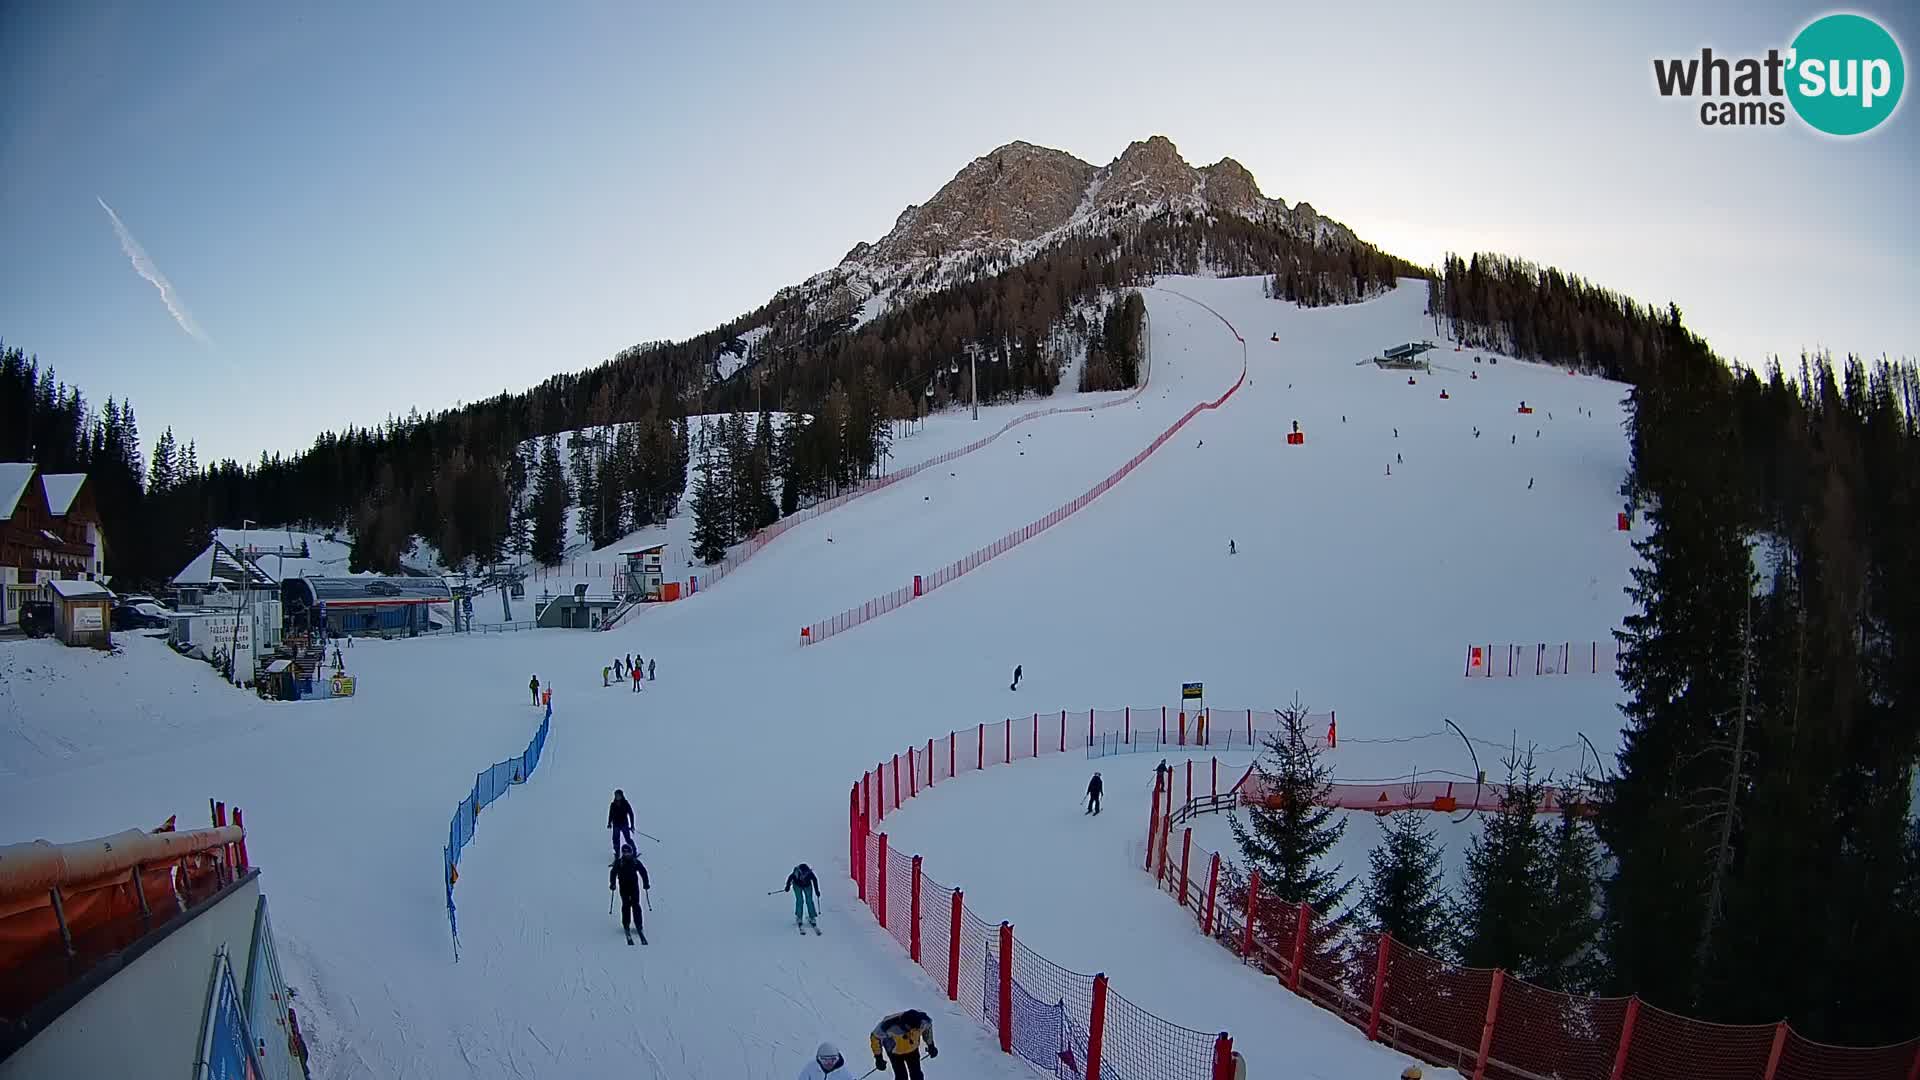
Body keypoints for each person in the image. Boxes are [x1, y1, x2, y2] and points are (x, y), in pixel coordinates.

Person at [870, 1010, 937, 1080]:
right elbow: (875, 1037)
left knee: (917, 1075)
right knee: (901, 1076)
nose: (911, 1031)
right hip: (895, 1052)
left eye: (915, 1029)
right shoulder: (889, 1026)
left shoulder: (923, 1021)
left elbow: (927, 1029)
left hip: (912, 1050)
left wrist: (931, 1045)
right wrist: (878, 1058)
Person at [609, 842, 651, 945]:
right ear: (623, 853)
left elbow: (643, 872)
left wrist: (646, 883)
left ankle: (638, 924)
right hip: (623, 887)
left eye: (629, 853)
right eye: (625, 853)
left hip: (634, 887)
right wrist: (612, 883)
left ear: (631, 853)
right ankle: (626, 924)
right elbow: (613, 872)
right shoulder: (619, 862)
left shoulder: (635, 862)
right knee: (626, 905)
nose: (627, 855)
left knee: (636, 905)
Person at [785, 862, 820, 930]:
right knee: (800, 900)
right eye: (803, 875)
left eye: (805, 875)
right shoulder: (796, 873)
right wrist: (787, 886)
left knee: (809, 901)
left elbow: (815, 880)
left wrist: (817, 891)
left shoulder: (810, 874)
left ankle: (812, 917)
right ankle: (799, 917)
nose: (803, 877)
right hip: (797, 886)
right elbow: (790, 878)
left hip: (807, 886)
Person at [608, 789, 635, 854]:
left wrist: (632, 825)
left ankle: (634, 852)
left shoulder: (625, 803)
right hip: (616, 824)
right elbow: (610, 814)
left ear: (622, 795)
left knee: (628, 839)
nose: (617, 797)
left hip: (624, 824)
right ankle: (617, 853)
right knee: (615, 840)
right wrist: (609, 823)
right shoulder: (613, 804)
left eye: (619, 795)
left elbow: (631, 814)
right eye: (616, 795)